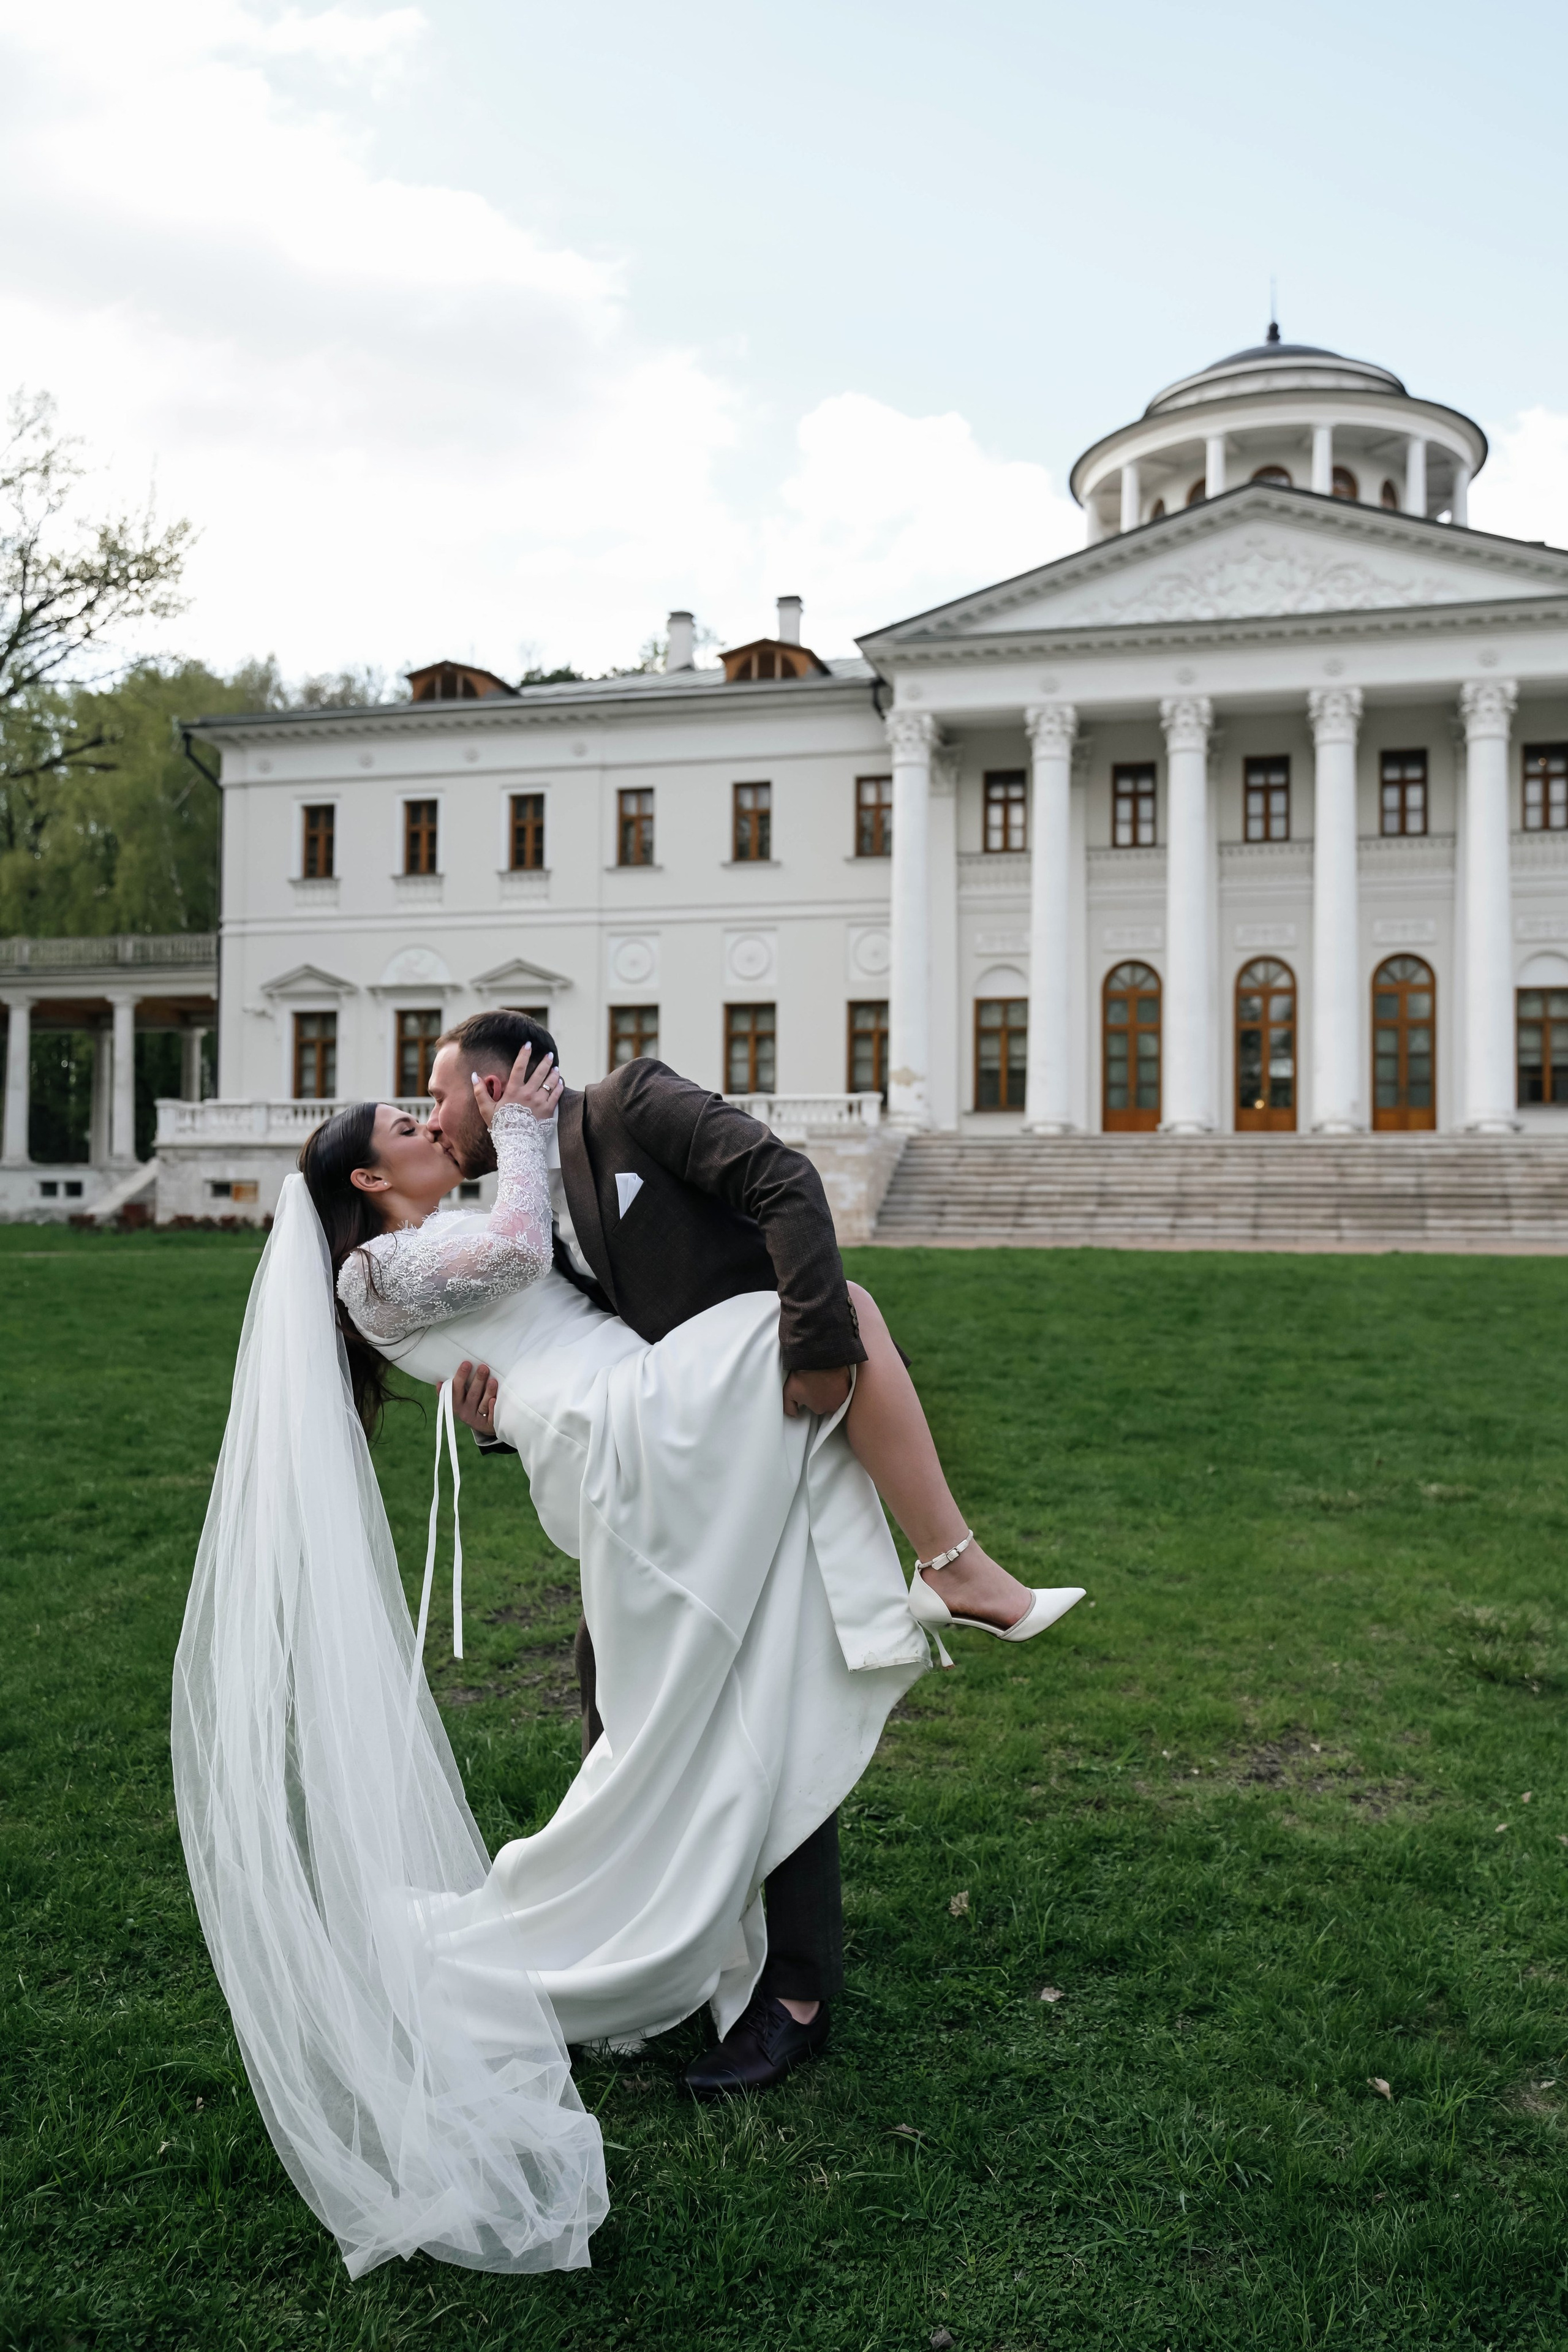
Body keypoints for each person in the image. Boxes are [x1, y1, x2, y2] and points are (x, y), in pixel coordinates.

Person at [172, 1040, 1082, 2280]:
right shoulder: (376, 1268)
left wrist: (527, 1166)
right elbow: (512, 1260)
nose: (434, 1119)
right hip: (620, 1433)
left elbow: (532, 1294)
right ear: (369, 1180)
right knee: (839, 1322)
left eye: (437, 1093)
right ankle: (945, 1573)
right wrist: (535, 1131)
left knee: (713, 1692)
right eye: (406, 1117)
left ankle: (901, 1615)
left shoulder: (461, 1218)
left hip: (627, 1415)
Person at [418, 1009, 1057, 2097]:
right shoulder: (520, 1210)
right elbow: (569, 1356)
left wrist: (812, 1351)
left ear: (493, 1087)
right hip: (660, 1485)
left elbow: (787, 1183)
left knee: (773, 1704)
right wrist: (488, 1418)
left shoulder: (632, 1104)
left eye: (438, 1098)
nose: (431, 1122)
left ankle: (794, 1994)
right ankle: (636, 1942)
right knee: (620, 1719)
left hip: (763, 1441)